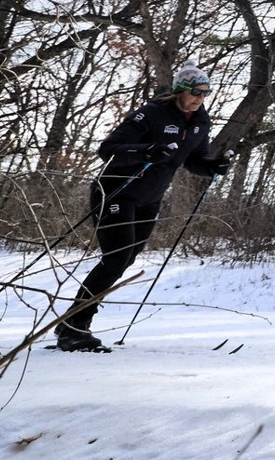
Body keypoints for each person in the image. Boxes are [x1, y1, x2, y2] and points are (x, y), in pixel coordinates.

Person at [53, 61, 233, 352]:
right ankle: (74, 328)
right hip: (116, 191)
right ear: (180, 91)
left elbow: (194, 159)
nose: (200, 98)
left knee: (125, 260)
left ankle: (70, 323)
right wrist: (146, 151)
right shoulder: (152, 114)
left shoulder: (200, 120)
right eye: (195, 92)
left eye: (205, 93)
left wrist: (215, 165)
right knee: (116, 257)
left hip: (150, 198)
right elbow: (108, 150)